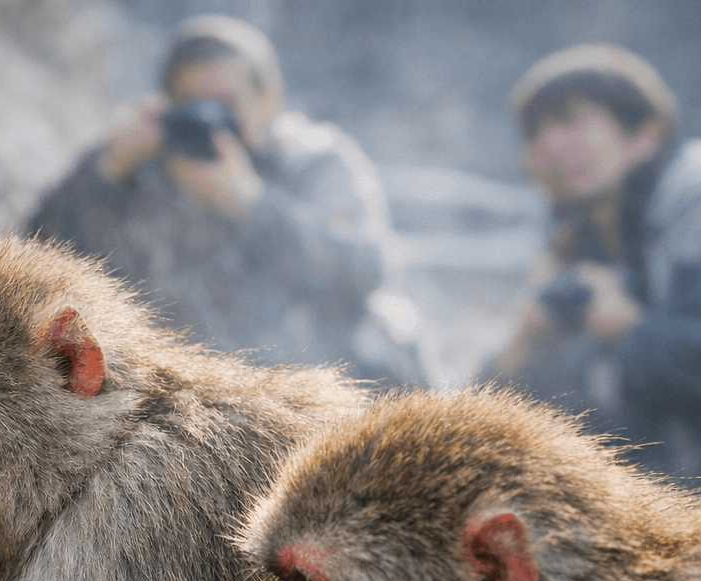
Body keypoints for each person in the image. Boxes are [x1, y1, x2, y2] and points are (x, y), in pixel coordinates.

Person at [27, 15, 423, 383]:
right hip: (188, 389)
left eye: (224, 104)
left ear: (267, 97)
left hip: (310, 378)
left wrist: (250, 206)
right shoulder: (143, 170)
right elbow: (38, 260)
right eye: (192, 105)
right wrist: (106, 169)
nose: (207, 120)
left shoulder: (316, 164)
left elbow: (364, 276)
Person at [487, 44, 701, 480]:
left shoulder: (697, 205)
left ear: (645, 133)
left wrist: (634, 328)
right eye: (535, 132)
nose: (549, 143)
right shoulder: (584, 231)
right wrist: (519, 348)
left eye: (569, 119)